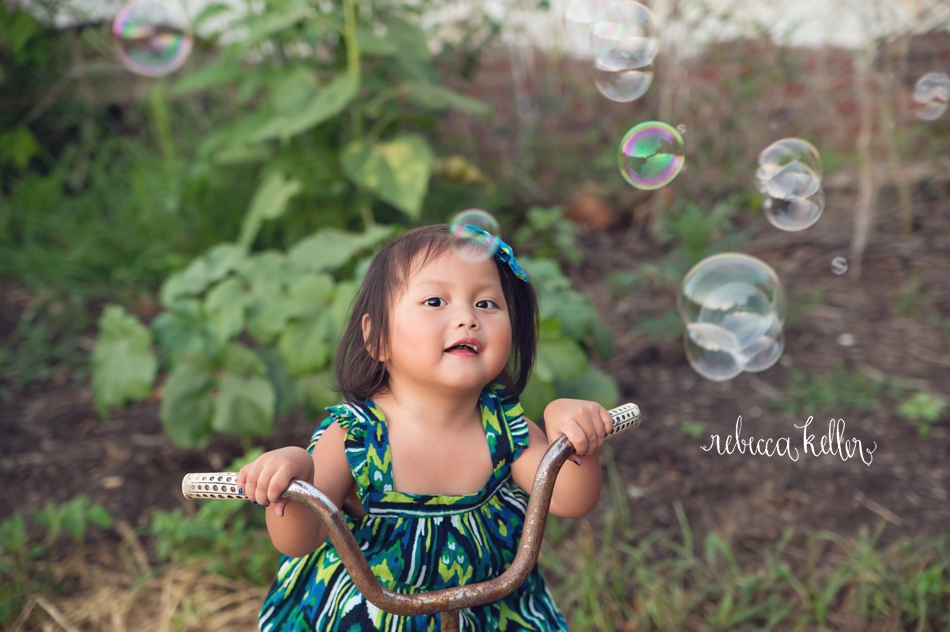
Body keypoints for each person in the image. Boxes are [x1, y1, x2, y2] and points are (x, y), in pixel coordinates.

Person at [237, 223, 615, 631]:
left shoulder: (505, 427)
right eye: (435, 300)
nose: (467, 318)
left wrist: (572, 437)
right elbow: (299, 540)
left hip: (485, 613)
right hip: (374, 616)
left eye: (487, 304)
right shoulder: (357, 436)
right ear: (376, 338)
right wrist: (296, 481)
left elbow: (570, 500)